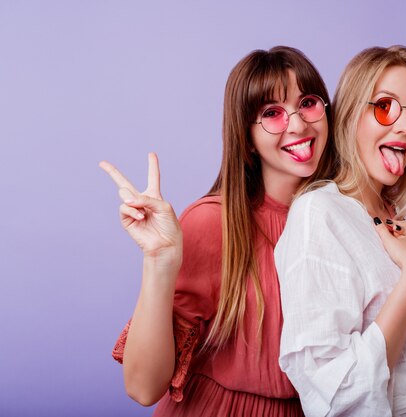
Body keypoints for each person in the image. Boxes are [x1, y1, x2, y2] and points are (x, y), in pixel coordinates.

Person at [100, 46, 334, 416]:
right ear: (247, 138)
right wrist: (159, 261)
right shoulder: (213, 223)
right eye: (271, 113)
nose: (298, 124)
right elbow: (143, 387)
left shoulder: (342, 221)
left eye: (307, 103)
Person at [275, 45, 406, 417]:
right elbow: (333, 393)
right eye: (385, 107)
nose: (405, 127)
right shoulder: (319, 213)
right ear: (351, 114)